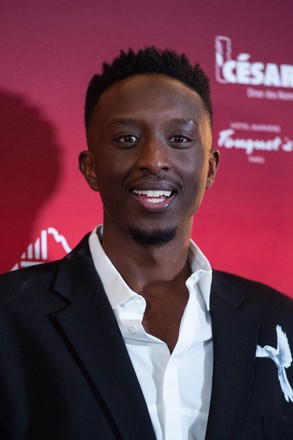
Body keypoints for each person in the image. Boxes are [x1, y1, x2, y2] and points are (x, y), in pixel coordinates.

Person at [0, 47, 292, 440]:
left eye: (179, 138)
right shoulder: (10, 317)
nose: (154, 159)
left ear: (210, 167)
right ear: (91, 168)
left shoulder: (280, 320)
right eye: (127, 138)